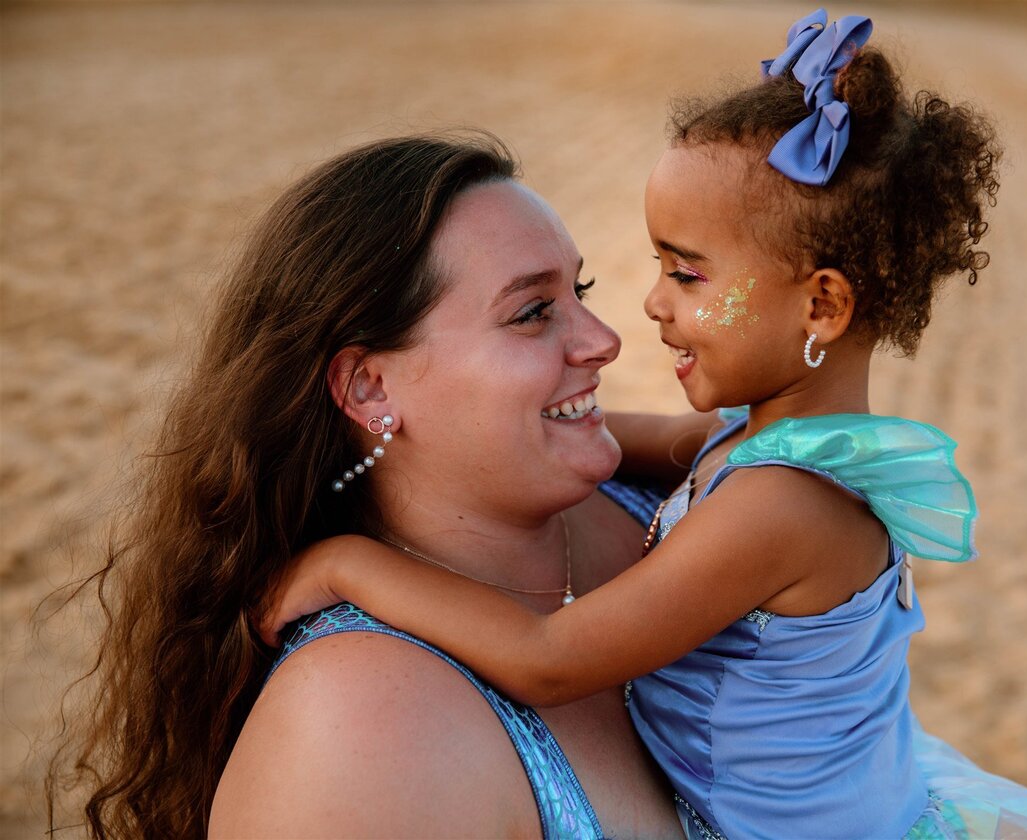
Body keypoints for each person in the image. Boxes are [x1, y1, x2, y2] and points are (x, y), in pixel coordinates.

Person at [261, 11, 1027, 839]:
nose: (647, 310)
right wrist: (520, 422)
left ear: (821, 305)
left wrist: (347, 566)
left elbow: (547, 660)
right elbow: (636, 440)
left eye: (688, 274)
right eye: (534, 313)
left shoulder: (780, 506)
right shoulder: (758, 446)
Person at [48, 134, 694, 839]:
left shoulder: (676, 501)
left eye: (581, 290)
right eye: (532, 312)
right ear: (369, 387)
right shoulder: (354, 725)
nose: (604, 339)